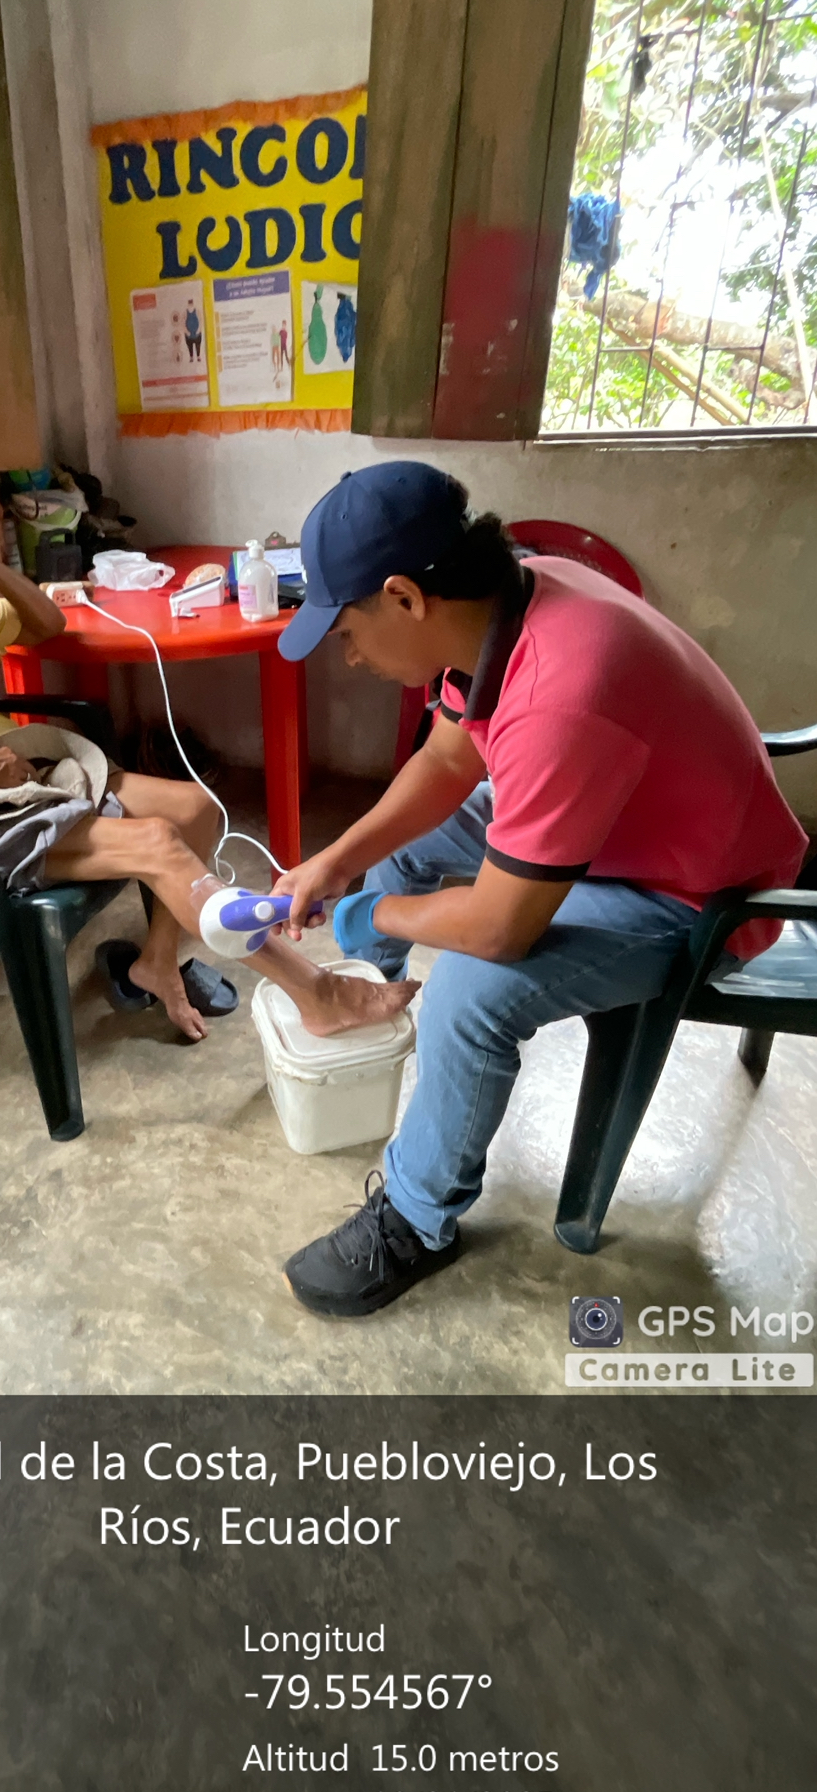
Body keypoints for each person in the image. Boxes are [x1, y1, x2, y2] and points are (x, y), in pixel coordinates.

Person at [273, 461, 807, 1319]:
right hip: (616, 820)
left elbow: (499, 930)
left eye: (346, 631)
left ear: (405, 597)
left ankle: (416, 1219)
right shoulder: (511, 597)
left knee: (470, 993)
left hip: (697, 892)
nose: (351, 655)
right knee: (400, 854)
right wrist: (336, 861)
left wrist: (363, 909)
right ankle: (367, 1011)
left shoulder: (564, 691)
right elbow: (447, 761)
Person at [0, 438, 416, 1049]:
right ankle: (317, 993)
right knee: (158, 843)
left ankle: (157, 964)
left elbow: (46, 622)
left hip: (16, 787)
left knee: (195, 808)